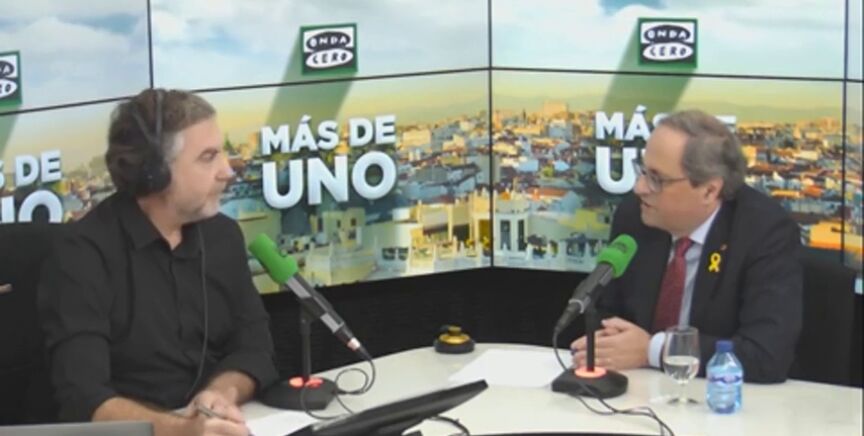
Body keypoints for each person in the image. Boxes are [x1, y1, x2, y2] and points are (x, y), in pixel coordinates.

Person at [38, 89, 278, 435]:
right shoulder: (82, 254)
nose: (227, 170)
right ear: (155, 172)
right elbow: (84, 399)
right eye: (208, 157)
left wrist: (220, 394)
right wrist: (183, 431)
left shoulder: (223, 236)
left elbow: (255, 349)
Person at [571, 109, 802, 383]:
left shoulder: (764, 232)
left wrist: (654, 350)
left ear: (709, 191)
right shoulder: (635, 216)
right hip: (639, 389)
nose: (639, 187)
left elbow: (766, 355)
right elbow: (607, 312)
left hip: (720, 398)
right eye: (642, 171)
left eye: (656, 179)